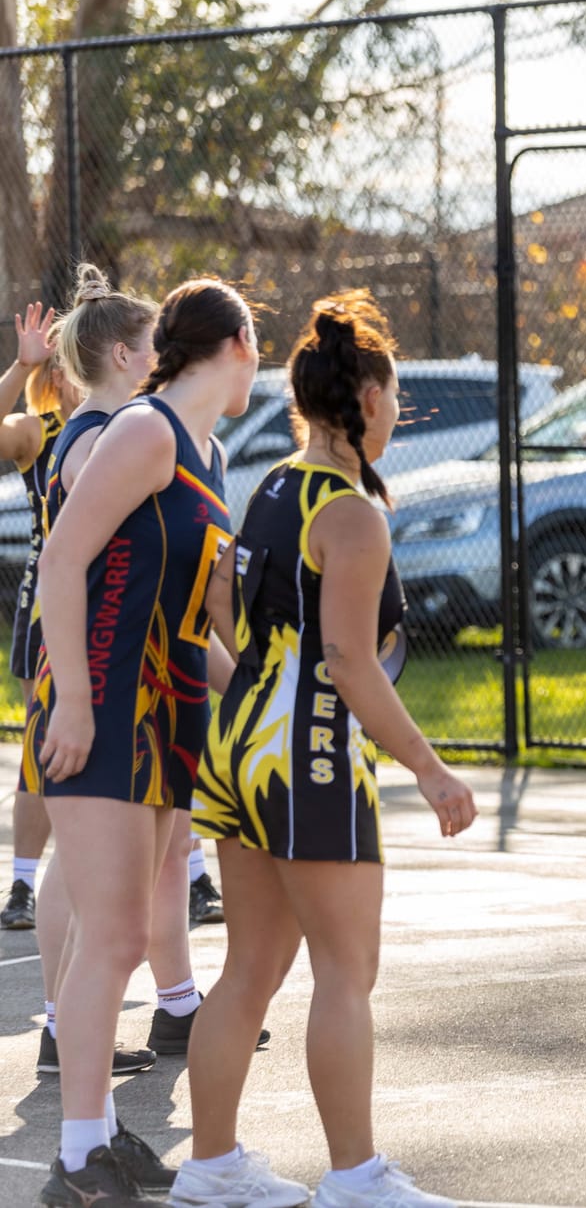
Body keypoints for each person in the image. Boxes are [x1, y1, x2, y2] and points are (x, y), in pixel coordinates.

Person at [176, 291, 477, 1208]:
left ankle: (210, 1164)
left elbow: (222, 614)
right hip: (308, 758)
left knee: (247, 972)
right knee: (347, 972)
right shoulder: (351, 514)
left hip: (240, 748)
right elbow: (348, 660)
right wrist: (429, 766)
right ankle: (356, 1177)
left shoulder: (268, 485)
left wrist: (264, 691)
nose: (394, 412)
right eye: (391, 396)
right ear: (370, 398)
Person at [30, 273, 258, 1204]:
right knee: (115, 933)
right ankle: (79, 1156)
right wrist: (76, 700)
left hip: (168, 715)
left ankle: (96, 1140)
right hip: (107, 706)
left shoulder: (203, 449)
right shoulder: (145, 429)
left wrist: (262, 699)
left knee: (127, 930)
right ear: (237, 347)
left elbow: (205, 624)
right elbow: (62, 556)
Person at [2, 300, 62, 933]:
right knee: (42, 745)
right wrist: (22, 368)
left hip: (118, 593)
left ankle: (192, 878)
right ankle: (21, 888)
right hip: (48, 597)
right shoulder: (39, 430)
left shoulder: (133, 425)